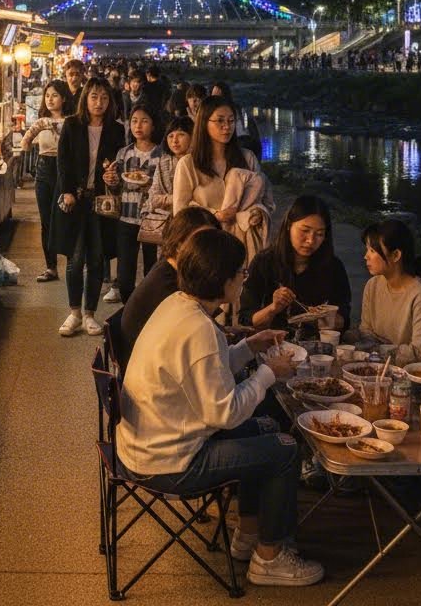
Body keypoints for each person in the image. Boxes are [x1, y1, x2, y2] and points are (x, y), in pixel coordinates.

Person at [118, 228, 324, 587]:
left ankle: (248, 534)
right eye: (240, 272)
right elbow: (224, 413)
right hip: (170, 462)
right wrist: (267, 373)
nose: (244, 278)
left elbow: (207, 370)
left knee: (266, 429)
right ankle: (270, 560)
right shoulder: (198, 328)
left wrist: (249, 346)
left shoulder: (179, 305)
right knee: (285, 450)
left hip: (149, 442)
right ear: (224, 279)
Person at [53, 77, 125, 337]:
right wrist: (67, 192)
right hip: (77, 199)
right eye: (94, 97)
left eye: (104, 98)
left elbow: (120, 165)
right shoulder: (72, 125)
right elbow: (63, 162)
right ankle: (73, 312)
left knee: (97, 258)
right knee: (75, 258)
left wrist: (114, 179)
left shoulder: (117, 130)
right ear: (85, 98)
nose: (99, 102)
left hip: (102, 202)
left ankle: (90, 314)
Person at [173, 96, 273, 266]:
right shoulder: (189, 164)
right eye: (220, 121)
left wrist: (257, 213)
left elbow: (265, 201)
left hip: (242, 251)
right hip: (205, 252)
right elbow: (181, 212)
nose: (227, 127)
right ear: (204, 122)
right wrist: (215, 215)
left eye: (231, 121)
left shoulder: (247, 158)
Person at [240, 195, 351, 333]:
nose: (311, 240)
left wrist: (331, 318)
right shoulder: (264, 262)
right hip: (274, 346)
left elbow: (344, 316)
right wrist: (273, 308)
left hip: (318, 348)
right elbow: (247, 319)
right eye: (305, 231)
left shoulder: (333, 266)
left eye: (319, 234)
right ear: (288, 226)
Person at [120, 206, 219, 359]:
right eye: (200, 241)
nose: (208, 250)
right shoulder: (169, 287)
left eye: (212, 242)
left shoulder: (171, 270)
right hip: (146, 367)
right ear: (179, 244)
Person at [358, 219, 421, 365]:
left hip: (414, 374)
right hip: (379, 367)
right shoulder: (372, 286)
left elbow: (420, 352)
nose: (366, 256)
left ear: (396, 255)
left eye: (372, 251)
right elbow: (366, 332)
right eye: (367, 250)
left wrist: (378, 348)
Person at [103, 103, 165, 305]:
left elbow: (165, 187)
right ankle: (129, 308)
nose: (138, 126)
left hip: (152, 219)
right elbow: (117, 185)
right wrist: (111, 180)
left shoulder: (162, 155)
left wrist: (149, 184)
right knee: (125, 272)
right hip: (126, 217)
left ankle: (149, 309)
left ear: (154, 126)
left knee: (152, 269)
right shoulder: (124, 153)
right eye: (135, 121)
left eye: (145, 121)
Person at [20, 79, 74, 282]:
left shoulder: (72, 121)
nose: (50, 99)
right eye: (47, 95)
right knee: (46, 220)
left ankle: (71, 263)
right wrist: (27, 140)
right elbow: (27, 140)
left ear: (64, 98)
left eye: (55, 95)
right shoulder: (40, 121)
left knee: (66, 217)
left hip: (65, 170)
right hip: (44, 169)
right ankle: (51, 267)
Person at [142, 115, 192, 214]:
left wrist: (165, 200)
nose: (174, 140)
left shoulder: (199, 162)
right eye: (171, 136)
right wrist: (174, 199)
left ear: (193, 136)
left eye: (181, 134)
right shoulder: (163, 162)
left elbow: (198, 200)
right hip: (165, 221)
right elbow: (153, 197)